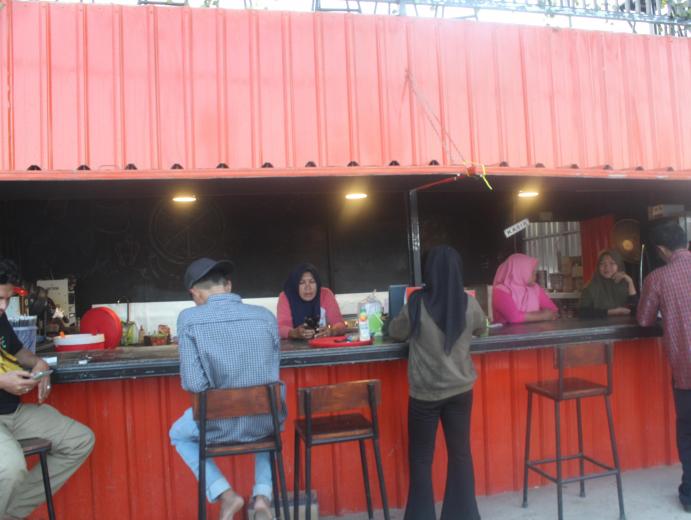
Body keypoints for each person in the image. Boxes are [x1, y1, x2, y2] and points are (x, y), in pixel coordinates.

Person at [169, 258, 284, 520]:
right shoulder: (265, 316)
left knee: (178, 434)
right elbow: (271, 373)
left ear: (195, 293)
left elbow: (193, 384)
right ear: (228, 285)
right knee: (266, 422)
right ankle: (262, 498)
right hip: (264, 420)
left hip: (217, 425)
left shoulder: (189, 319)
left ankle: (225, 494)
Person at [389, 245, 487, 520]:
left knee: (421, 459)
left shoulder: (416, 303)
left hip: (425, 394)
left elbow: (396, 332)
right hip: (461, 391)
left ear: (428, 271)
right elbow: (482, 328)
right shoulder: (469, 303)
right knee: (460, 454)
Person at [0, 258, 94, 520]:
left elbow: (17, 350)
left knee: (79, 440)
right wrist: (2, 381)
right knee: (11, 468)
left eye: (7, 299)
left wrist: (38, 363)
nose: (3, 306)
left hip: (13, 413)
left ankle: (9, 513)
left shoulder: (0, 317)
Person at [637, 222, 691, 512]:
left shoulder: (658, 278)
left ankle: (690, 495)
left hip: (686, 369)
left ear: (660, 250)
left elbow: (644, 320)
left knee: (688, 430)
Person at [276, 263, 346, 340]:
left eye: (312, 282)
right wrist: (294, 333)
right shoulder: (286, 297)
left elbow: (340, 325)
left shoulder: (325, 294)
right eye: (301, 282)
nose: (308, 287)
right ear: (295, 284)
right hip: (293, 346)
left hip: (322, 344)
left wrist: (332, 331)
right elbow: (280, 328)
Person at [492, 253, 559, 324]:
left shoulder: (535, 288)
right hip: (506, 331)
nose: (535, 275)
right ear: (519, 271)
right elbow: (514, 317)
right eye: (532, 271)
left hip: (533, 330)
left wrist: (548, 315)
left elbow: (553, 310)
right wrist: (543, 316)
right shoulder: (501, 290)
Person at [578, 250, 638, 318]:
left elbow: (636, 311)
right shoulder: (591, 287)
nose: (607, 267)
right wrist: (612, 312)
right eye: (602, 263)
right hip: (600, 325)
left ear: (619, 265)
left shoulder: (625, 284)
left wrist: (630, 282)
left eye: (612, 263)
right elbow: (582, 313)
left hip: (624, 325)